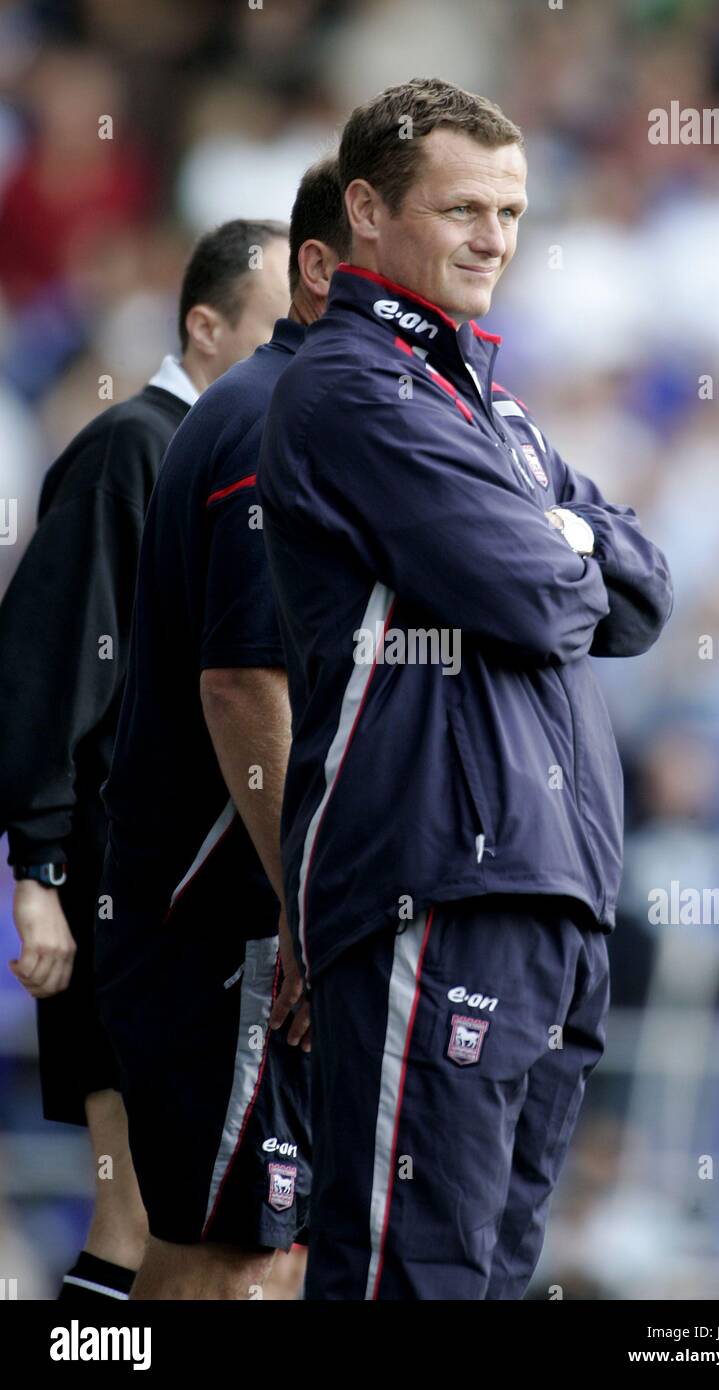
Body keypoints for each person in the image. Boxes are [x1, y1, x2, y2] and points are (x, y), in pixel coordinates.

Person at [259, 78, 674, 1301]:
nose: (495, 237)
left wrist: (555, 535)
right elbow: (544, 598)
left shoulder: (483, 401)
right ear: (369, 212)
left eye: (511, 210)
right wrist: (562, 538)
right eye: (464, 209)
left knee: (493, 1275)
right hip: (432, 880)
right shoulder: (353, 386)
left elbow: (643, 590)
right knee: (410, 1272)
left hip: (550, 881)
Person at [0, 217, 291, 1303]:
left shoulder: (245, 455)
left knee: (207, 1227)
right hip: (121, 897)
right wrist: (39, 877)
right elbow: (45, 664)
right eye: (273, 329)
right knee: (138, 1219)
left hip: (197, 901)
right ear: (205, 325)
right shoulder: (136, 446)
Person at [95, 158, 350, 1301]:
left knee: (264, 1250)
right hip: (222, 912)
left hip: (242, 909)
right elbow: (241, 682)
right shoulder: (253, 420)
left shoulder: (312, 412)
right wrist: (308, 896)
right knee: (225, 1259)